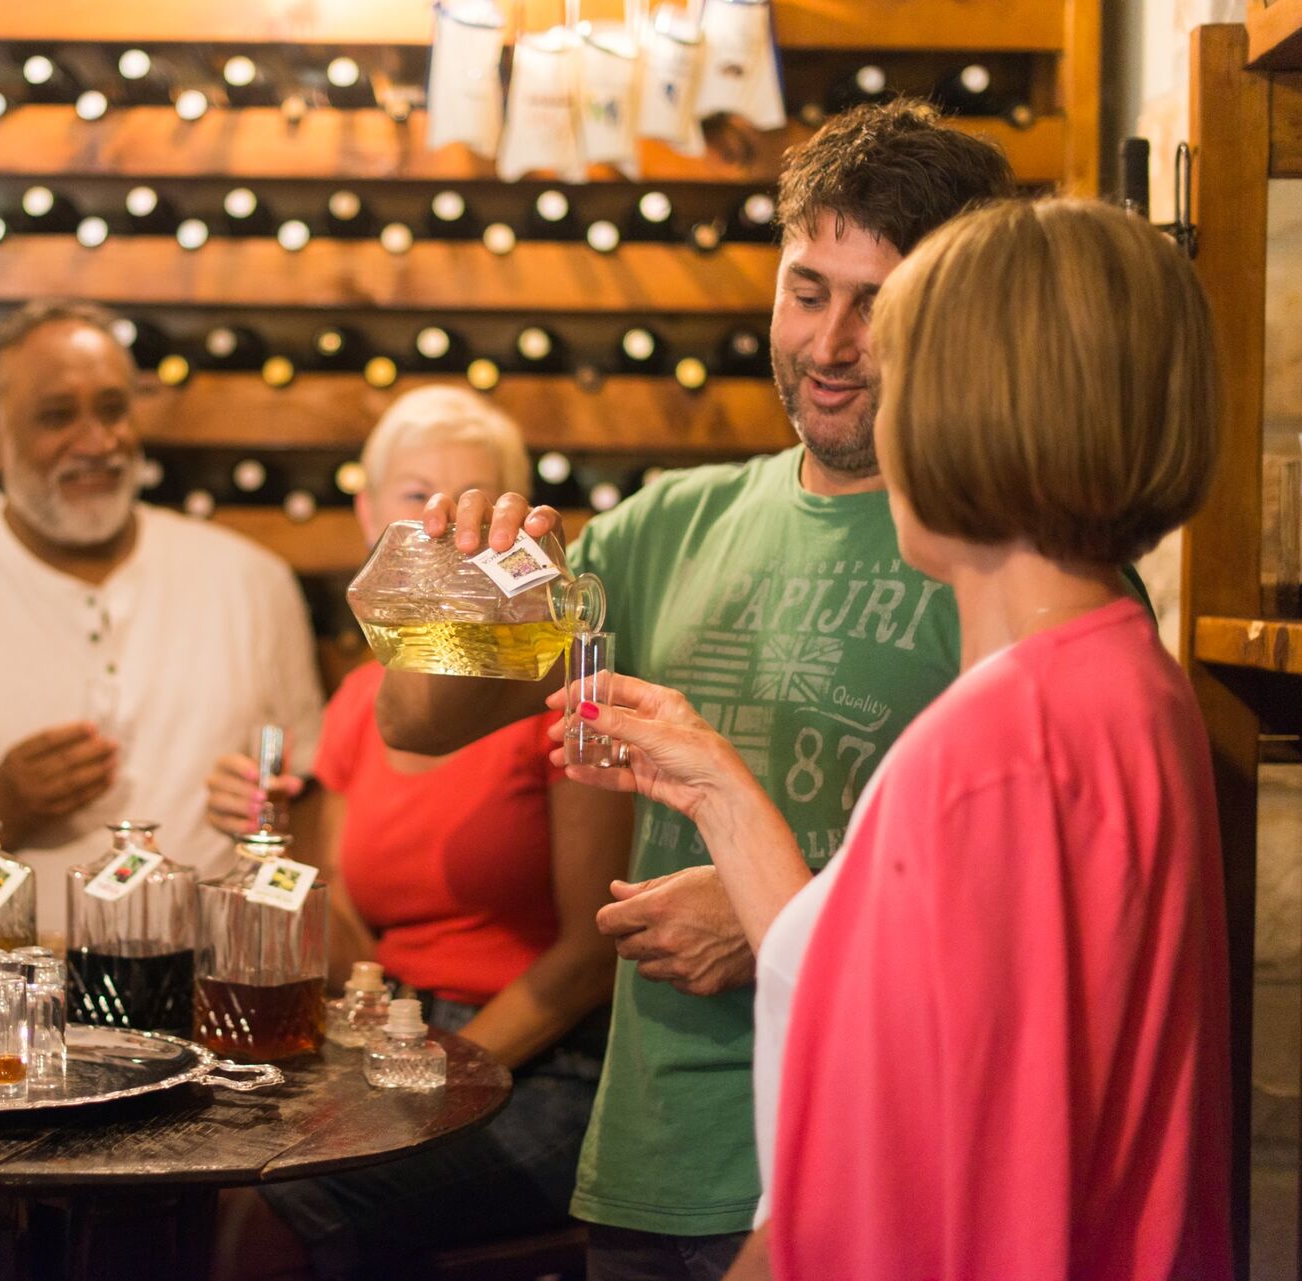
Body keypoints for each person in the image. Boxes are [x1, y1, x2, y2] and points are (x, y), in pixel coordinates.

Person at [376, 102, 1018, 1279]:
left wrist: (781, 912)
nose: (831, 343)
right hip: (650, 1162)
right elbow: (412, 724)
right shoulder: (670, 522)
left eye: (877, 306)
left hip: (864, 1169)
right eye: (808, 292)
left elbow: (1026, 902)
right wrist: (464, 593)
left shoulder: (1010, 556)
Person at [563, 197, 1228, 1280]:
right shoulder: (1122, 678)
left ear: (978, 418)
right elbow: (873, 982)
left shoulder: (995, 744)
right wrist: (719, 786)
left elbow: (882, 1104)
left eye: (905, 374)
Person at [209, 387, 632, 1280]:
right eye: (419, 500)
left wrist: (444, 1065)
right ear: (372, 516)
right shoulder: (362, 699)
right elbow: (346, 937)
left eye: (475, 506)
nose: (448, 533)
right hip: (392, 1037)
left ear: (518, 529)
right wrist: (270, 841)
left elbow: (591, 957)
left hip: (541, 1063)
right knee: (215, 1165)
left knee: (284, 1201)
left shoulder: (562, 681)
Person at [0, 299, 326, 936]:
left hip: (220, 981)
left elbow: (311, 803)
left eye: (113, 409)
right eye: (57, 416)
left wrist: (269, 813)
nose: (99, 442)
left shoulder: (253, 583)